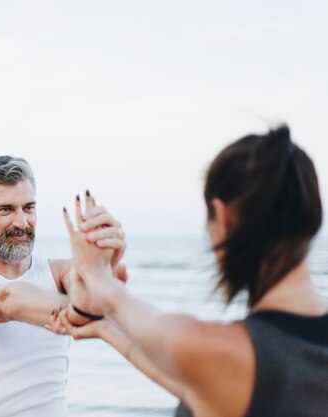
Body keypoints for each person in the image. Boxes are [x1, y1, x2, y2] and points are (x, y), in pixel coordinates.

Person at [50, 125, 328, 417]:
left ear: (223, 217)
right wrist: (104, 325)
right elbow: (193, 384)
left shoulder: (229, 352)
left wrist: (93, 272)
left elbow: (167, 333)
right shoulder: (239, 366)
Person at [0, 155, 126, 417]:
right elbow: (5, 301)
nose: (22, 222)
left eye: (29, 207)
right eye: (6, 209)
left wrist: (104, 260)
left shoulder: (57, 274)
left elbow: (88, 283)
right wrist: (76, 309)